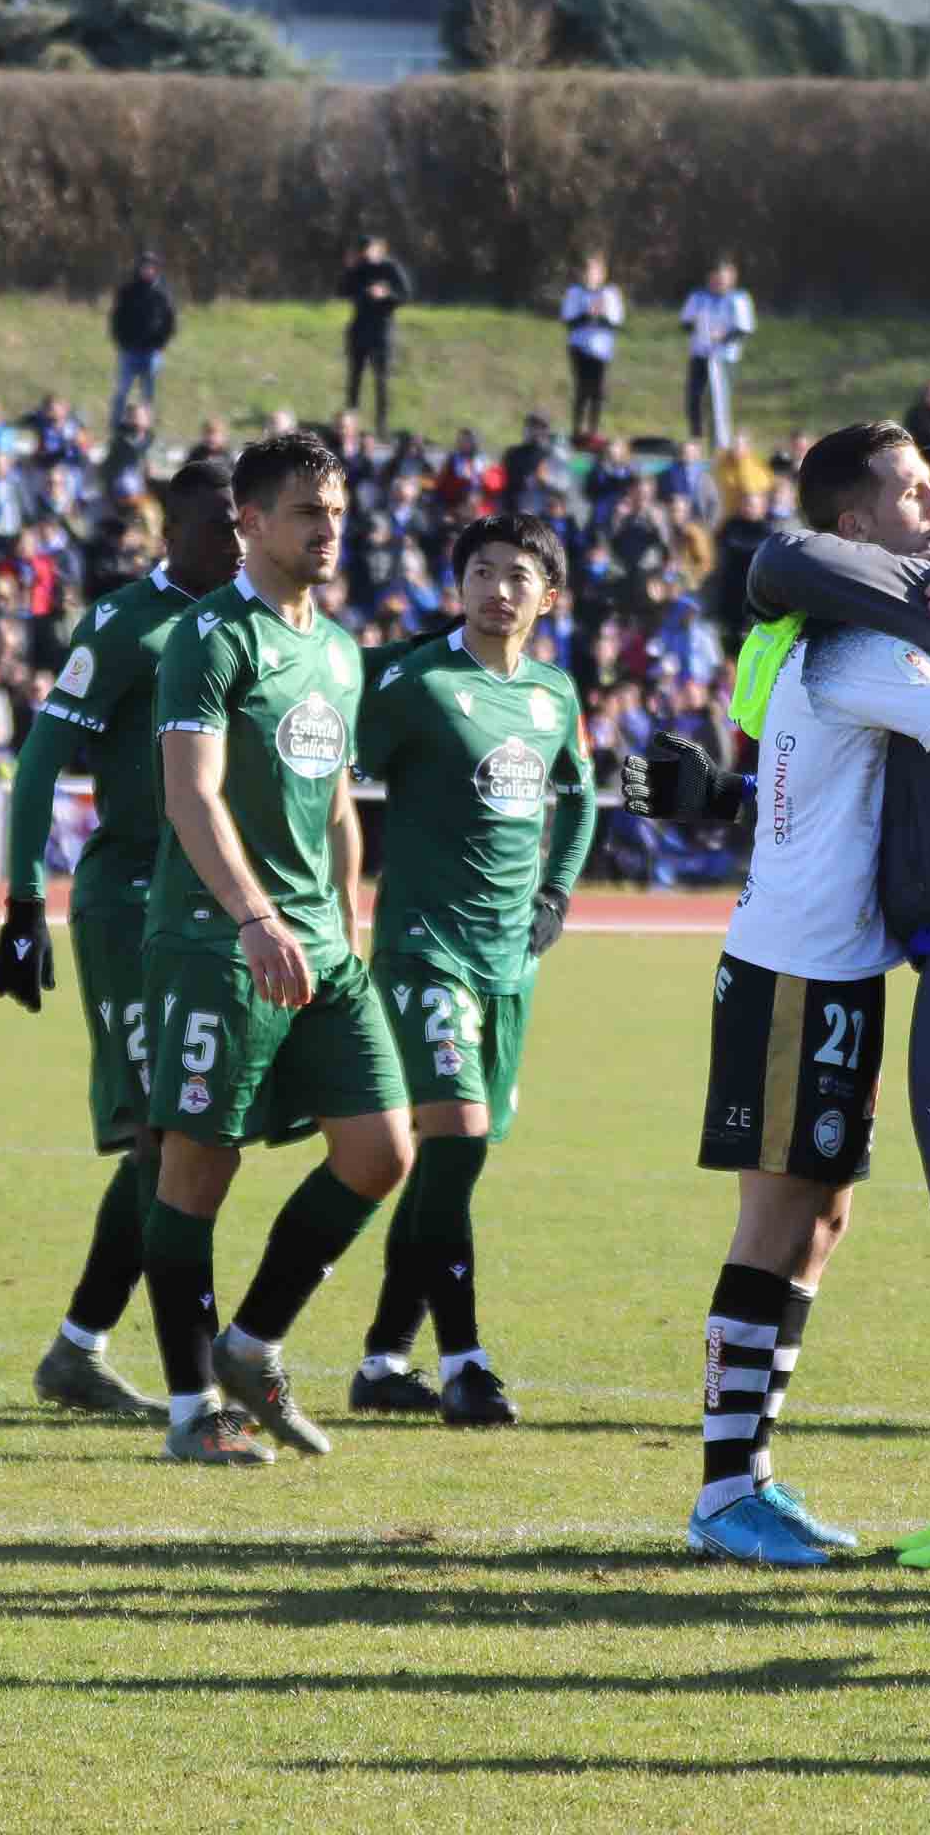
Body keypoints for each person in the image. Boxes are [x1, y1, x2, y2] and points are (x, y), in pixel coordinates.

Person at [623, 426, 930, 1569]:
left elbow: (800, 787)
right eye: (910, 489)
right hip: (794, 967)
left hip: (831, 966)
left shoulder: (848, 633)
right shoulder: (858, 649)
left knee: (821, 1221)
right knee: (777, 1219)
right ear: (855, 528)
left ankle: (752, 1478)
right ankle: (727, 1491)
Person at [137, 431, 417, 1466]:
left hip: (324, 949)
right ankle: (188, 1409)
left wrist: (349, 909)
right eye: (307, 511)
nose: (328, 527)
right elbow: (189, 793)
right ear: (249, 523)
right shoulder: (208, 639)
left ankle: (249, 1342)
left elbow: (338, 796)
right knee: (196, 1170)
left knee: (382, 1151)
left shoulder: (339, 648)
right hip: (220, 940)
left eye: (336, 510)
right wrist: (256, 917)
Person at [0, 460, 247, 1418]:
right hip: (128, 902)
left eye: (245, 520)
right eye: (219, 521)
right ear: (169, 527)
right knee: (165, 1131)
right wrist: (21, 904)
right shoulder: (128, 622)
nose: (236, 536)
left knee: (185, 1139)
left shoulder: (257, 624)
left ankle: (78, 1350)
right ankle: (178, 1357)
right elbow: (40, 762)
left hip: (214, 908)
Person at [346, 512, 597, 1426]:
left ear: (548, 597)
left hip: (508, 963)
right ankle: (466, 1363)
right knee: (452, 1141)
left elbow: (579, 797)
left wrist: (555, 895)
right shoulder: (416, 680)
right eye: (482, 572)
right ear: (458, 587)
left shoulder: (554, 695)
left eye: (519, 576)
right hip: (422, 950)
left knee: (454, 1161)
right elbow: (328, 757)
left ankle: (381, 1362)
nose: (499, 590)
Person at [339, 236, 412, 432]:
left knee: (381, 380)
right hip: (359, 329)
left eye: (370, 250)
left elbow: (405, 295)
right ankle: (348, 425)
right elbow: (344, 291)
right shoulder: (358, 268)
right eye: (363, 251)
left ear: (380, 249)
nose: (367, 255)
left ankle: (381, 426)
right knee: (354, 378)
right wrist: (349, 269)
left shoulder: (391, 268)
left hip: (382, 331)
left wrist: (386, 294)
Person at [680, 259, 755, 450]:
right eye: (715, 278)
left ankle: (718, 447)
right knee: (694, 398)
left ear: (731, 278)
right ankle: (695, 441)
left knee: (718, 403)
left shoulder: (738, 298)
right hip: (700, 355)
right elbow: (685, 323)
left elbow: (743, 329)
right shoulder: (698, 296)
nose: (718, 282)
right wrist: (697, 325)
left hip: (723, 358)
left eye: (723, 279)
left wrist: (722, 337)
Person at [559, 256, 625, 442]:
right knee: (582, 389)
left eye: (595, 272)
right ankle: (577, 430)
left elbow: (617, 321)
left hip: (601, 350)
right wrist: (588, 315)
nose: (591, 276)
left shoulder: (611, 293)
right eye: (588, 272)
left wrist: (601, 315)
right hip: (579, 347)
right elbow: (569, 320)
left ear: (602, 274)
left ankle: (593, 432)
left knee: (598, 391)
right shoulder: (575, 292)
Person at [109, 251, 178, 428]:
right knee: (122, 391)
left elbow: (170, 321)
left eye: (151, 268)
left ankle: (145, 430)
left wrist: (161, 343)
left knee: (148, 395)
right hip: (129, 350)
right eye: (144, 267)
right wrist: (121, 340)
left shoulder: (162, 293)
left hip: (151, 352)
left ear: (156, 270)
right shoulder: (128, 291)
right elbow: (116, 317)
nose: (147, 271)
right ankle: (116, 427)